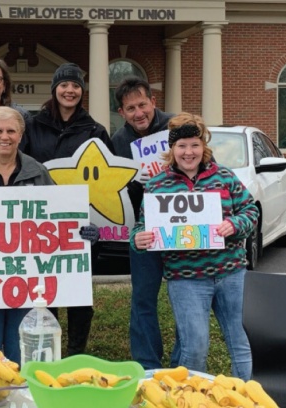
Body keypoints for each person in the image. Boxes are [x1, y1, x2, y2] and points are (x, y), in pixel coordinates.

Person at [0, 106, 97, 363]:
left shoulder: (38, 172)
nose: (5, 136)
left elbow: (59, 218)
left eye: (11, 130)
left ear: (21, 135)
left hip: (27, 282)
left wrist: (83, 232)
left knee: (21, 350)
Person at [130, 112, 258, 381]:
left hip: (231, 273)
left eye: (194, 145)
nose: (189, 152)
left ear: (204, 146)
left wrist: (234, 224)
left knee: (241, 342)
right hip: (186, 279)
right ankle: (188, 398)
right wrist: (139, 239)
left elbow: (250, 211)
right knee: (195, 346)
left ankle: (246, 397)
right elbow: (142, 227)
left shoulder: (225, 177)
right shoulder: (156, 186)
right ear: (172, 149)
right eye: (182, 146)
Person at [20, 62, 112, 356]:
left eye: (75, 86)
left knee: (78, 293)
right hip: (41, 222)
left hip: (81, 225)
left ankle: (76, 351)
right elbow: (21, 166)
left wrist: (98, 224)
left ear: (82, 91)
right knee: (43, 289)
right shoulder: (32, 126)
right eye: (64, 85)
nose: (70, 90)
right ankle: (50, 349)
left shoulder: (95, 130)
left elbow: (108, 180)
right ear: (54, 89)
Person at [111, 76, 173, 369]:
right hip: (143, 232)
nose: (138, 113)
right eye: (130, 108)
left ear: (153, 102)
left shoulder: (176, 127)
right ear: (121, 112)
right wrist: (135, 182)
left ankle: (185, 359)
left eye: (142, 105)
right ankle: (148, 364)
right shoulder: (118, 142)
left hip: (180, 227)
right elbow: (118, 196)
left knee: (187, 297)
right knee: (143, 299)